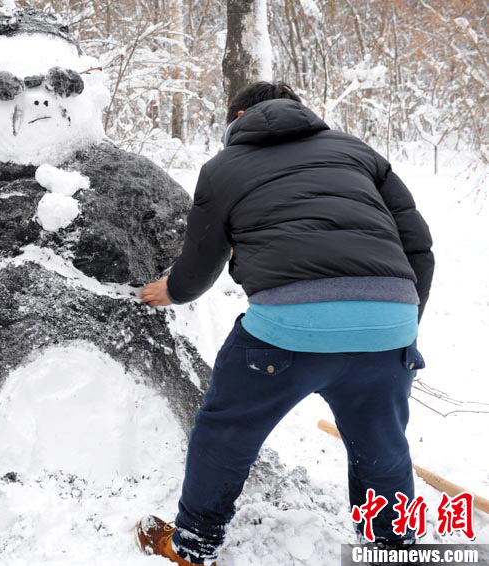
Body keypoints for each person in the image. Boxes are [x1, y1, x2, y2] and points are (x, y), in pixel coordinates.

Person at [136, 82, 434, 565]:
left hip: (285, 334)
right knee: (382, 442)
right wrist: (397, 326)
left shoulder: (223, 168)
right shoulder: (358, 152)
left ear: (236, 117)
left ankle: (192, 545)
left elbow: (202, 258)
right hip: (389, 324)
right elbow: (418, 247)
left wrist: (173, 291)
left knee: (227, 429)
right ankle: (394, 547)